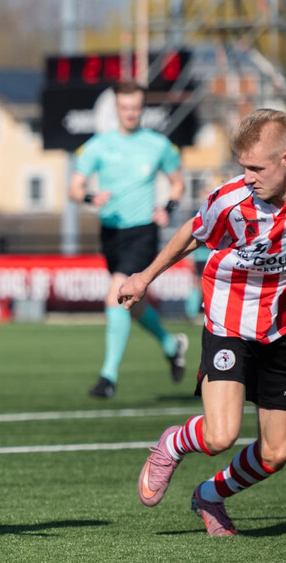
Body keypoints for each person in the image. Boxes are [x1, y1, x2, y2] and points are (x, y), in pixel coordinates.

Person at [119, 109, 286, 536]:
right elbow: (193, 232)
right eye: (243, 166)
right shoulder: (231, 198)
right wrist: (145, 277)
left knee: (275, 453)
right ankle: (173, 443)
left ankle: (210, 494)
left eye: (256, 168)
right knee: (220, 436)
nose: (248, 177)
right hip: (230, 319)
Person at [68, 80, 189, 399]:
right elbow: (74, 188)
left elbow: (177, 183)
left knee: (116, 296)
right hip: (110, 233)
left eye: (136, 107)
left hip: (143, 231)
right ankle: (171, 345)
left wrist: (168, 208)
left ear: (142, 108)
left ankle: (107, 378)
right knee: (133, 305)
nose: (131, 113)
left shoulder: (157, 144)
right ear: (117, 108)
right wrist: (90, 197)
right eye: (125, 107)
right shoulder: (98, 145)